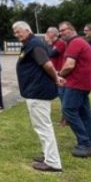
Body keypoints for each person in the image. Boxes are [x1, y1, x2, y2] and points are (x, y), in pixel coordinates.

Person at [13, 21, 64, 173]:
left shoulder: (34, 44)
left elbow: (47, 64)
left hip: (37, 92)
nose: (16, 35)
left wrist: (56, 78)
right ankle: (48, 156)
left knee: (43, 127)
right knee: (41, 126)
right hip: (34, 91)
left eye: (18, 31)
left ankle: (53, 163)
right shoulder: (31, 44)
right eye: (14, 32)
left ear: (27, 30)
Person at [58, 21, 91, 157]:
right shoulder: (79, 42)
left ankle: (85, 143)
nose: (61, 33)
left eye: (63, 30)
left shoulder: (75, 43)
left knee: (68, 110)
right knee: (85, 114)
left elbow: (69, 65)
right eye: (60, 31)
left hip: (77, 83)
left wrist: (59, 75)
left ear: (71, 29)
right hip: (84, 84)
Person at [44, 27, 67, 125]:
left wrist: (48, 43)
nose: (46, 34)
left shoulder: (60, 43)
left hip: (61, 73)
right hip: (55, 72)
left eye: (48, 32)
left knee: (63, 95)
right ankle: (66, 117)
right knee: (60, 94)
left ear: (53, 34)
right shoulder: (53, 44)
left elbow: (50, 54)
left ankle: (66, 118)